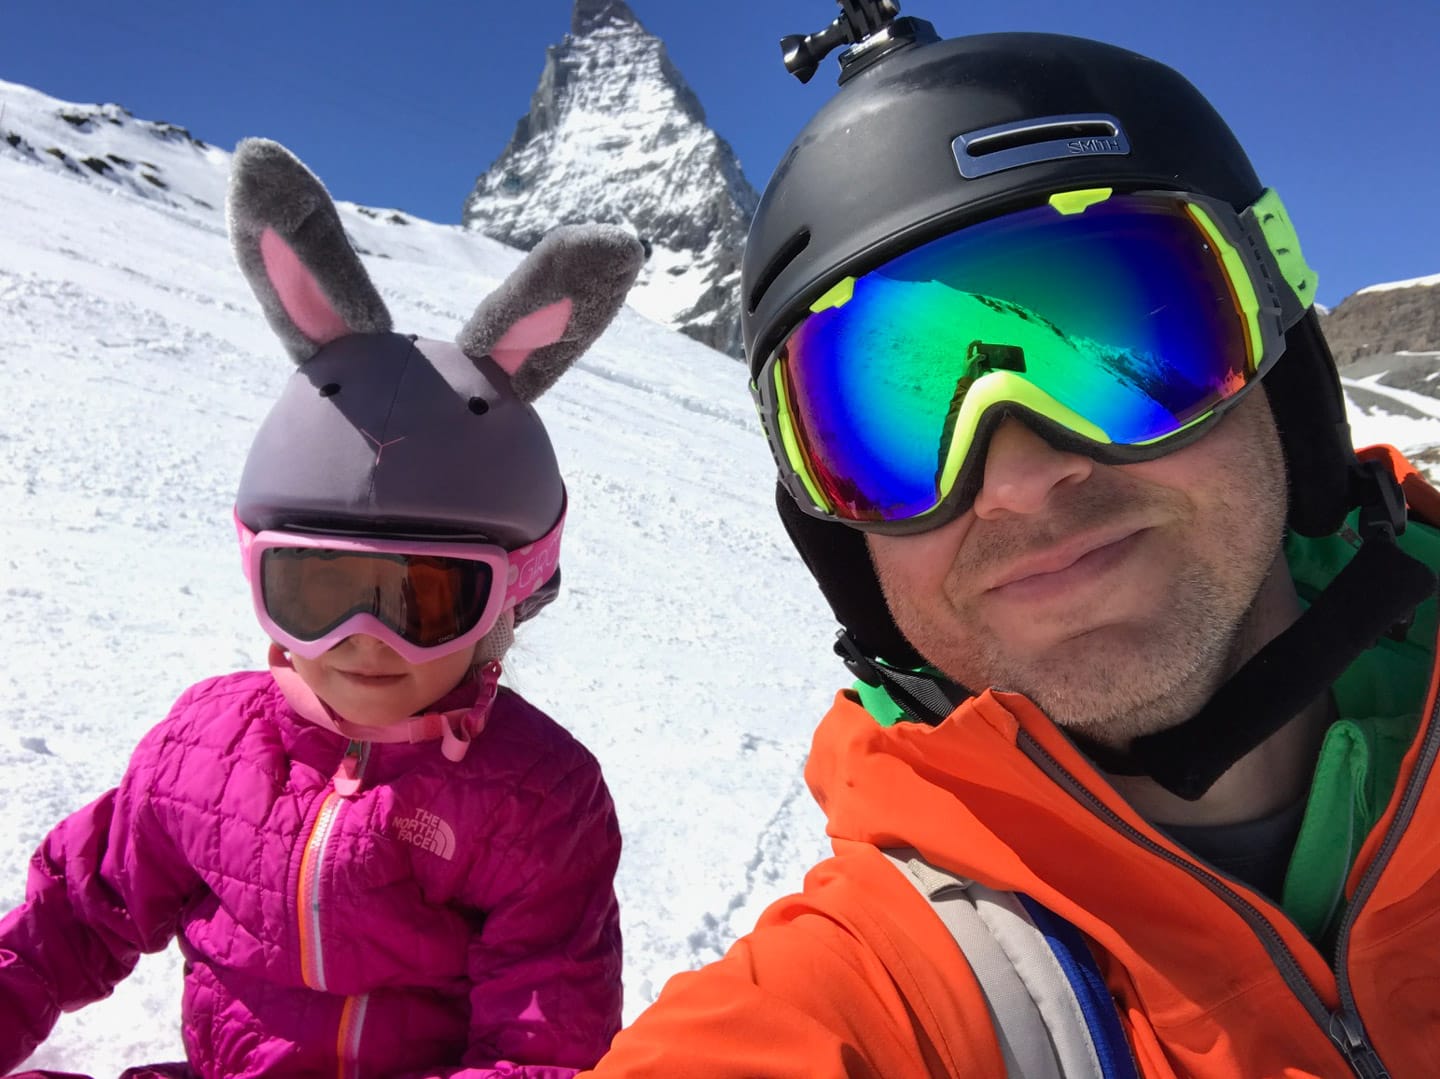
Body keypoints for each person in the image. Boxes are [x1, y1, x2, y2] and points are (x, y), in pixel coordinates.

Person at [582, 6, 1440, 1077]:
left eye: (1115, 344)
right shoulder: (881, 999)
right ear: (837, 540)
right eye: (892, 424)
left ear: (1284, 368)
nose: (1021, 482)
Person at [0, 139, 645, 1078]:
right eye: (313, 592)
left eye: (423, 600)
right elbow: (70, 915)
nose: (362, 642)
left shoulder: (537, 799)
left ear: (511, 599)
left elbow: (540, 1046)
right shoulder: (204, 748)